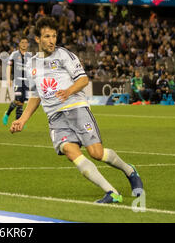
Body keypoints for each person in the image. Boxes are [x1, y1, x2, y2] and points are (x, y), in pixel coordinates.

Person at [10, 16, 143, 204]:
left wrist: (69, 91)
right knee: (70, 151)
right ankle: (112, 192)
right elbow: (35, 95)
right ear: (38, 40)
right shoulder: (31, 64)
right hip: (55, 117)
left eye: (54, 36)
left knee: (96, 153)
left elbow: (83, 79)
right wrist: (22, 120)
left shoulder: (64, 55)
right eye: (47, 36)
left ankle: (130, 171)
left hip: (76, 108)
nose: (51, 40)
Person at [2, 37, 32, 125]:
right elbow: (9, 66)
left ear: (28, 44)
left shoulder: (30, 56)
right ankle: (7, 113)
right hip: (17, 80)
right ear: (19, 44)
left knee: (22, 102)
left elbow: (31, 70)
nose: (24, 44)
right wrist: (8, 78)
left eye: (26, 42)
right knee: (18, 99)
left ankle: (18, 122)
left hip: (26, 81)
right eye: (22, 42)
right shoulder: (14, 54)